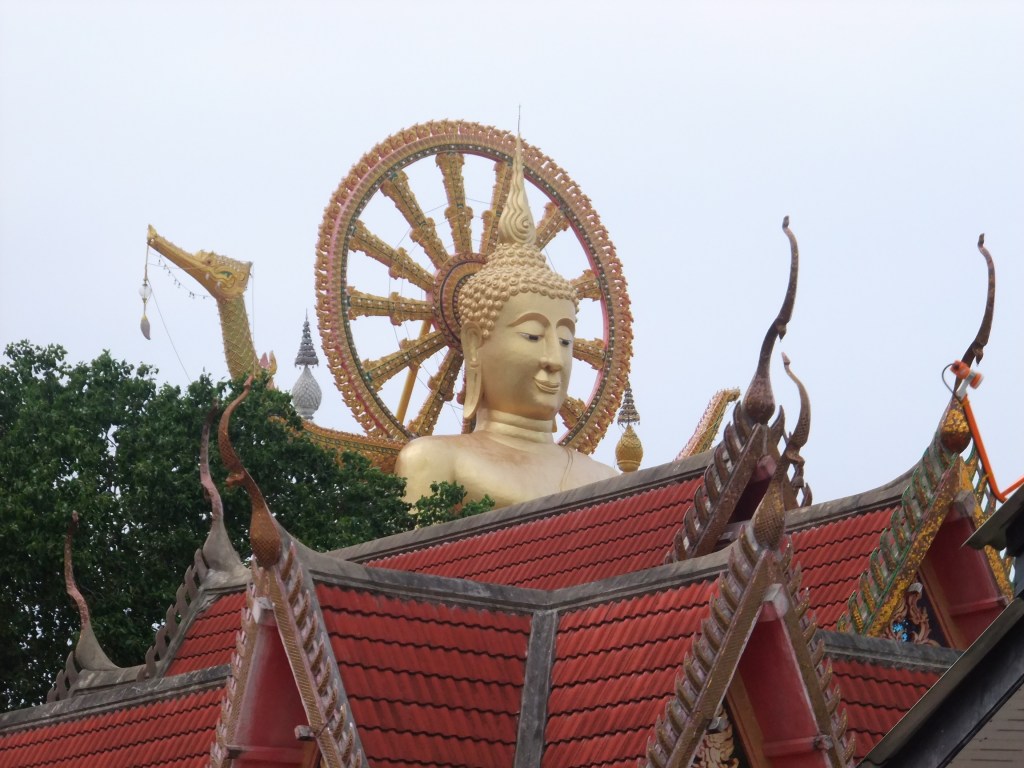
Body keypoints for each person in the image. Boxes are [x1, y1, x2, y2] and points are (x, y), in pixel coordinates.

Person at [396, 140, 617, 508]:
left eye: (565, 341)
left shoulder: (606, 480)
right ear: (473, 345)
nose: (554, 359)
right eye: (532, 335)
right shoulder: (435, 461)